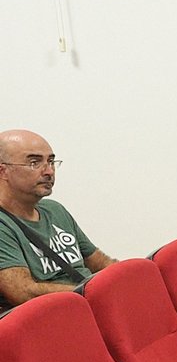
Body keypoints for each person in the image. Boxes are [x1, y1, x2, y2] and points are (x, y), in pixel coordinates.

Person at [0, 130, 115, 309]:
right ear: (3, 171)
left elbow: (100, 263)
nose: (49, 171)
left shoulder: (55, 210)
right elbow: (22, 292)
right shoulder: (3, 225)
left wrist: (131, 277)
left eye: (51, 161)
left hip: (92, 306)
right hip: (56, 314)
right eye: (34, 162)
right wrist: (90, 293)